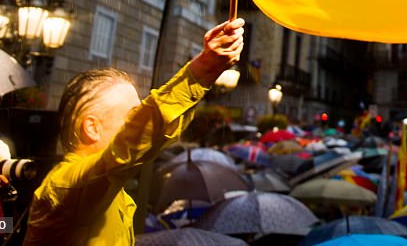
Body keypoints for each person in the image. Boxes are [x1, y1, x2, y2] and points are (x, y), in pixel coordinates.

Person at [23, 17, 244, 245]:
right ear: (92, 128)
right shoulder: (64, 185)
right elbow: (132, 143)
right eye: (132, 117)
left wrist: (205, 74)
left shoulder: (107, 189)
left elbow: (159, 132)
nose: (139, 125)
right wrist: (203, 69)